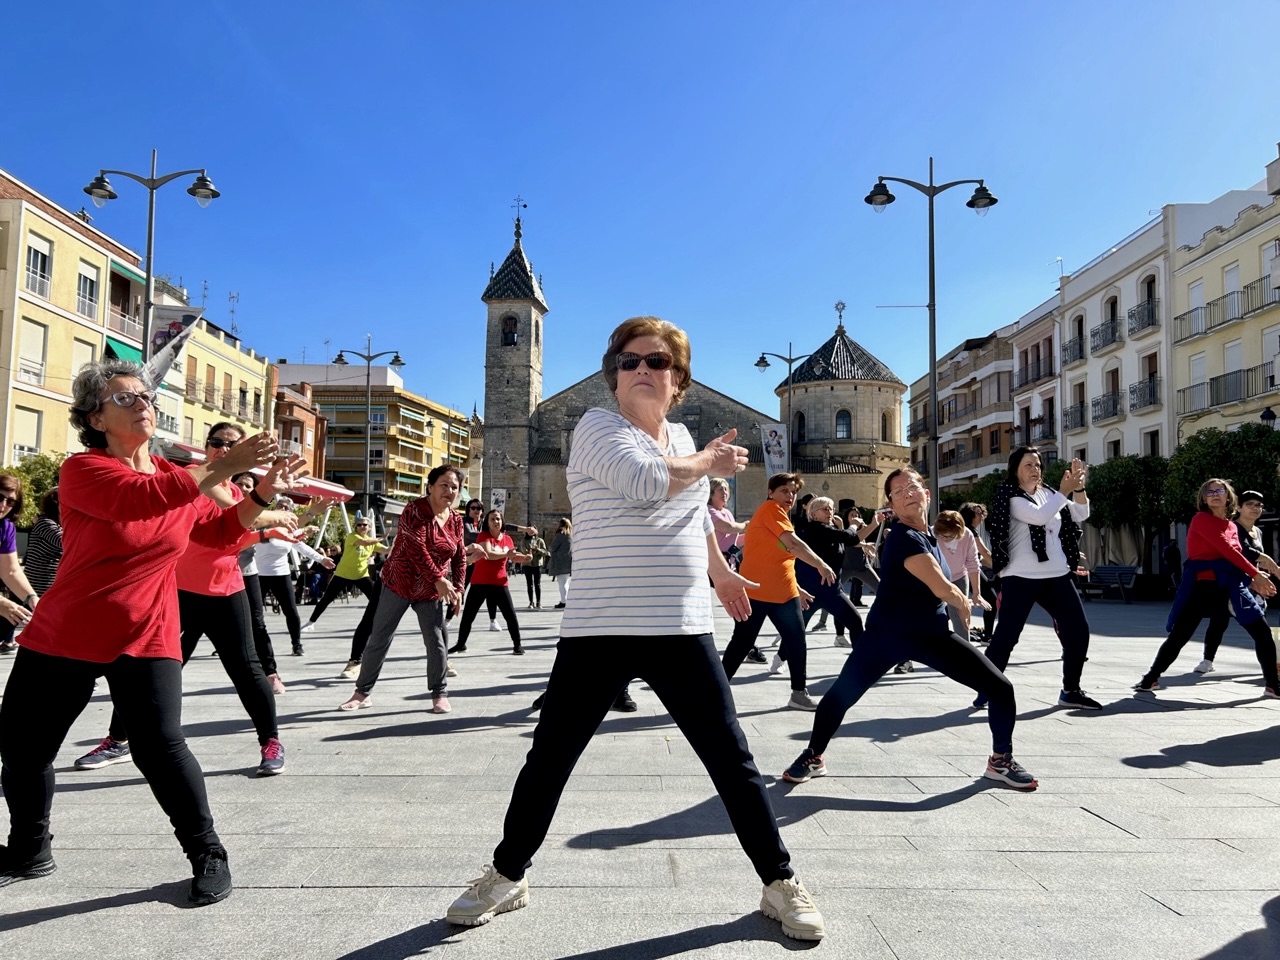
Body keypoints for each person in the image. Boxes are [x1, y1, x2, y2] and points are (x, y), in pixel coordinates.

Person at [446, 317, 825, 941]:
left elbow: (695, 513)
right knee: (551, 758)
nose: (642, 370)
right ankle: (507, 874)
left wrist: (719, 575)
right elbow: (649, 485)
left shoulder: (678, 434)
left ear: (679, 380)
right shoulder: (598, 428)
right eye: (629, 361)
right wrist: (709, 461)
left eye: (657, 362)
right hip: (600, 627)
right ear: (613, 375)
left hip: (680, 626)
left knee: (733, 761)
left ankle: (779, 881)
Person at [0, 359, 301, 903]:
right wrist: (226, 464)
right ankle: (28, 848)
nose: (143, 403)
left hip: (146, 630)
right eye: (126, 398)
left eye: (146, 395)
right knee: (24, 748)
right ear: (95, 418)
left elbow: (213, 535)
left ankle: (209, 852)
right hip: (69, 627)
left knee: (160, 747)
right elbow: (138, 502)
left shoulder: (171, 476)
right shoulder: (84, 470)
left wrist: (259, 498)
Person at [782, 467, 1037, 792]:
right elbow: (940, 584)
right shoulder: (903, 538)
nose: (907, 494)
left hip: (931, 635)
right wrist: (964, 602)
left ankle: (1000, 760)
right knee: (840, 696)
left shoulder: (930, 536)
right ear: (891, 504)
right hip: (885, 637)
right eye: (898, 492)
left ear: (926, 494)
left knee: (1000, 688)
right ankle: (814, 755)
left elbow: (962, 564)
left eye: (912, 487)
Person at [77, 423, 302, 775]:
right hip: (177, 592)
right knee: (145, 670)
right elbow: (223, 506)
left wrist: (271, 512)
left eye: (231, 445)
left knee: (246, 670)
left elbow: (232, 527)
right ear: (206, 446)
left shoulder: (235, 493)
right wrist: (269, 508)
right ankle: (118, 740)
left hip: (225, 590)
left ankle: (270, 741)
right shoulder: (189, 481)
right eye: (216, 443)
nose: (222, 450)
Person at [978, 447, 1101, 711]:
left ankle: (1071, 690)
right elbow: (1038, 517)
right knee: (1007, 637)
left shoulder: (1049, 494)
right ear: (1015, 470)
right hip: (1020, 576)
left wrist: (1078, 488)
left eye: (1037, 465)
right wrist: (1064, 491)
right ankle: (986, 687)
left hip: (1056, 574)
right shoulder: (1010, 496)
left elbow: (1081, 514)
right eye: (1028, 465)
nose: (1035, 470)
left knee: (1078, 630)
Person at [338, 465, 467, 713]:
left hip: (430, 590)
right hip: (399, 582)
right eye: (444, 485)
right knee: (380, 637)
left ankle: (439, 693)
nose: (449, 490)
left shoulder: (456, 521)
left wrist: (459, 588)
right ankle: (362, 692)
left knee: (437, 641)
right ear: (430, 487)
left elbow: (460, 555)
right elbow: (414, 545)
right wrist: (439, 577)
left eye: (454, 487)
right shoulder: (414, 510)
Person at [1138, 480, 1279, 695]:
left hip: (1232, 588)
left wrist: (1252, 582)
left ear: (1228, 496)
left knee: (1263, 633)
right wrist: (1255, 574)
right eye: (1209, 492)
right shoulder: (1201, 519)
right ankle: (1151, 678)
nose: (1214, 495)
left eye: (1220, 491)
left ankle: (1272, 685)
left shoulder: (1232, 525)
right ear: (1204, 498)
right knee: (1179, 637)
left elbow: (1235, 559)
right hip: (1204, 588)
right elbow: (1226, 551)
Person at [721, 473, 837, 711]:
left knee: (796, 641)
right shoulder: (770, 510)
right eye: (785, 490)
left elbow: (781, 559)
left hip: (784, 594)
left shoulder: (780, 516)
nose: (790, 496)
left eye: (793, 492)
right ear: (771, 492)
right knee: (742, 644)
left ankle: (798, 694)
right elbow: (793, 545)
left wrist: (798, 588)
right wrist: (821, 565)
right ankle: (715, 692)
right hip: (756, 592)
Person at [1194, 490, 1275, 675]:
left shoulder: (1258, 531)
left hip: (1250, 585)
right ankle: (1207, 660)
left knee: (1259, 627)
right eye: (1249, 504)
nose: (1255, 508)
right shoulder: (1232, 527)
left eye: (1258, 505)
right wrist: (1264, 560)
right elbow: (1239, 552)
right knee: (1219, 621)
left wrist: (1260, 575)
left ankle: (1269, 668)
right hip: (1229, 582)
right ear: (1238, 507)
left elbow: (1252, 561)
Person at [789, 497, 865, 658]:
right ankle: (780, 658)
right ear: (814, 514)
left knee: (855, 621)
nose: (830, 512)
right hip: (812, 591)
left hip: (832, 590)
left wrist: (870, 525)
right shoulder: (816, 528)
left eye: (831, 508)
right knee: (797, 629)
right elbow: (848, 537)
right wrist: (853, 525)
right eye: (825, 509)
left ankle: (860, 660)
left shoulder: (828, 530)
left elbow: (847, 540)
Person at [449, 510, 531, 655]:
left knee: (510, 615)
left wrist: (524, 558)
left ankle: (517, 645)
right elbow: (489, 554)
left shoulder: (507, 539)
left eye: (498, 519)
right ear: (487, 523)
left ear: (502, 521)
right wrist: (507, 554)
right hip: (480, 582)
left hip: (500, 583)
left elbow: (513, 557)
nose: (495, 522)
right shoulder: (483, 536)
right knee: (469, 615)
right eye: (492, 519)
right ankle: (461, 644)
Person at [301, 516, 386, 632]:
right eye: (359, 524)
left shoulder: (372, 542)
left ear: (369, 527)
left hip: (361, 575)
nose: (361, 526)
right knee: (326, 599)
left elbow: (386, 549)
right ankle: (311, 623)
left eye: (364, 525)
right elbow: (364, 542)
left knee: (377, 600)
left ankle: (377, 624)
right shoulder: (352, 536)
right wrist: (381, 538)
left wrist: (400, 544)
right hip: (343, 574)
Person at [0, 474, 41, 655]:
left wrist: (32, 598)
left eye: (10, 502)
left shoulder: (5, 527)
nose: (3, 506)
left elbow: (10, 570)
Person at [934, 509, 989, 641]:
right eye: (942, 536)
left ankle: (965, 654)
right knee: (929, 615)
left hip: (958, 576)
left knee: (961, 616)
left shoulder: (967, 536)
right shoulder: (931, 534)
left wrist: (976, 593)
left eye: (949, 537)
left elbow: (973, 563)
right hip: (936, 578)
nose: (944, 539)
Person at [959, 502, 998, 642]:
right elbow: (984, 552)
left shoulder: (964, 529)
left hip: (963, 569)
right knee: (991, 600)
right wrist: (1000, 569)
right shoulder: (969, 530)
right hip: (966, 570)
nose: (982, 516)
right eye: (978, 513)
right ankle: (987, 635)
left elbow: (978, 556)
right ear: (970, 515)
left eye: (983, 513)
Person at [23, 487, 63, 599]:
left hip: (51, 587)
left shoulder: (56, 524)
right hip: (39, 588)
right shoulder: (45, 523)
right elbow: (64, 542)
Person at [707, 477, 746, 571]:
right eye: (720, 489)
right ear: (711, 493)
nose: (724, 492)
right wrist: (745, 526)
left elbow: (734, 541)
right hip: (714, 566)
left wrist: (753, 533)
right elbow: (726, 527)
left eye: (726, 489)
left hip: (730, 563)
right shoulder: (709, 510)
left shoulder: (727, 512)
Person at [520, 527, 548, 609]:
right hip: (527, 565)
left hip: (537, 564)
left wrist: (537, 550)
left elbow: (545, 552)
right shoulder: (524, 541)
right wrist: (529, 550)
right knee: (529, 584)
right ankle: (531, 602)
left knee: (537, 584)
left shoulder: (540, 541)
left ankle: (538, 602)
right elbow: (522, 551)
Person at [547, 518, 572, 608]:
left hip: (559, 562)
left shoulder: (560, 535)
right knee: (566, 582)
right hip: (568, 562)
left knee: (562, 583)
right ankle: (567, 599)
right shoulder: (571, 535)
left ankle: (564, 601)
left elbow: (553, 547)